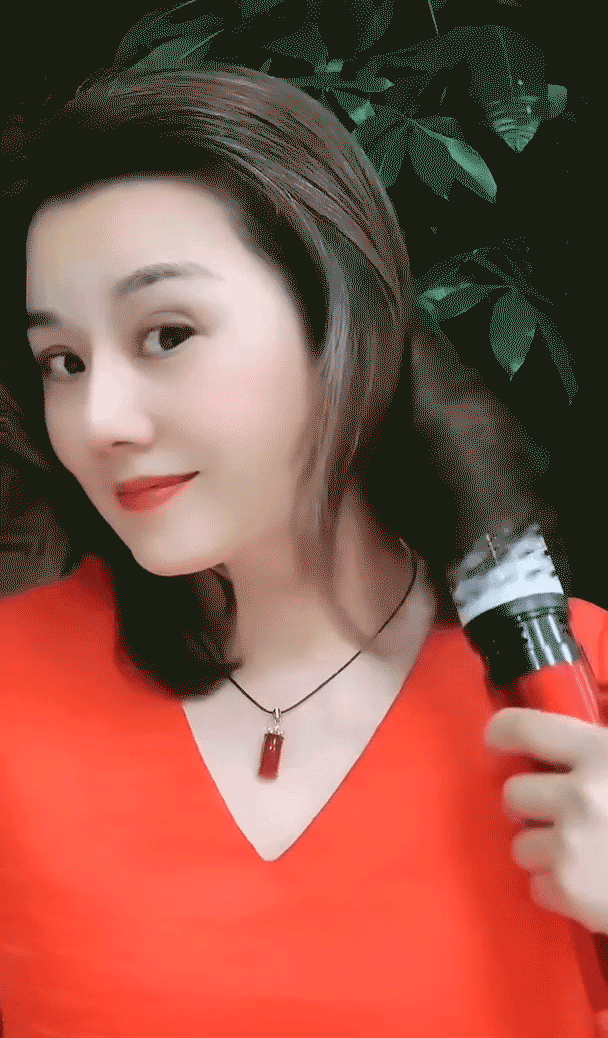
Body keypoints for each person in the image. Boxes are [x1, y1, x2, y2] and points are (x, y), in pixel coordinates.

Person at [0, 64, 604, 1036]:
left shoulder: (580, 694)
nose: (97, 419)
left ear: (343, 321)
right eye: (62, 361)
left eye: (166, 334)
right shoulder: (13, 681)